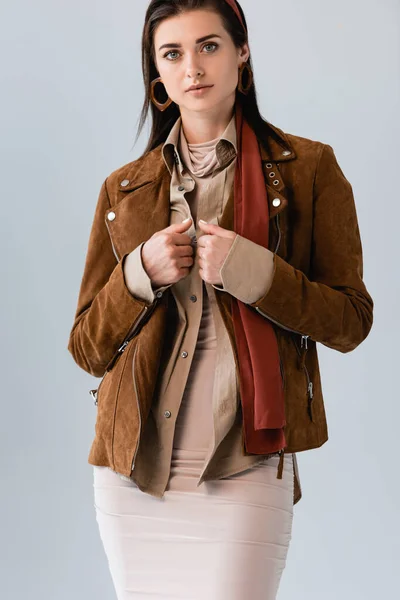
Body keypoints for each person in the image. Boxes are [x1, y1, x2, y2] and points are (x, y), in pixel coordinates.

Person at [67, 1, 374, 598]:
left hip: (245, 463)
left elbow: (350, 320)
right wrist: (138, 273)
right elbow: (86, 346)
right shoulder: (124, 189)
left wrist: (257, 273)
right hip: (132, 469)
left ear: (242, 53)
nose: (193, 68)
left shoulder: (309, 168)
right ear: (156, 73)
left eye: (209, 46)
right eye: (172, 53)